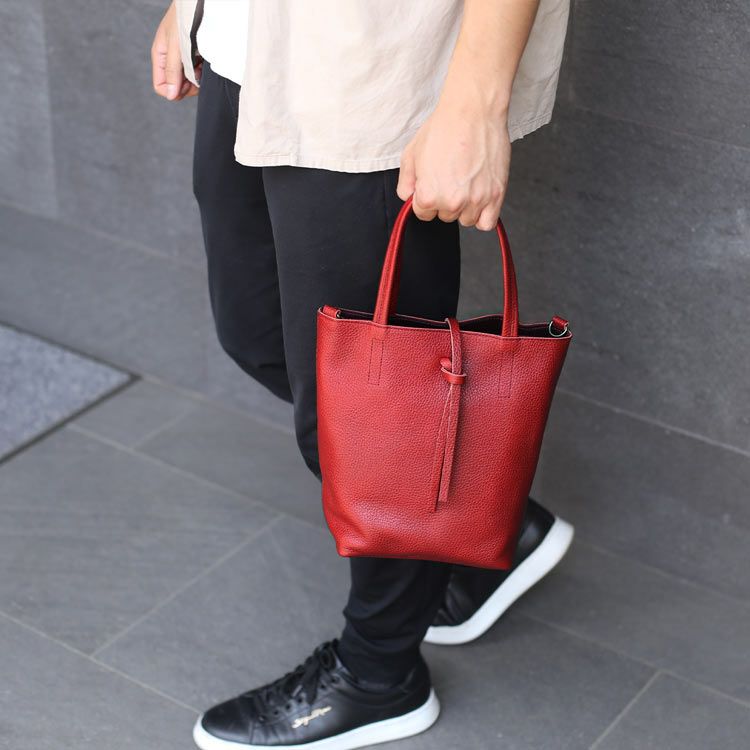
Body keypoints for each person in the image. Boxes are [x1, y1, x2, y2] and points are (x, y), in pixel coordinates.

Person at [151, 1, 574, 748]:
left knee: (380, 418)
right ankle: (479, 520)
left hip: (370, 67)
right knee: (257, 332)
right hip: (248, 37)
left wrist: (475, 105)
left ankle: (381, 677)